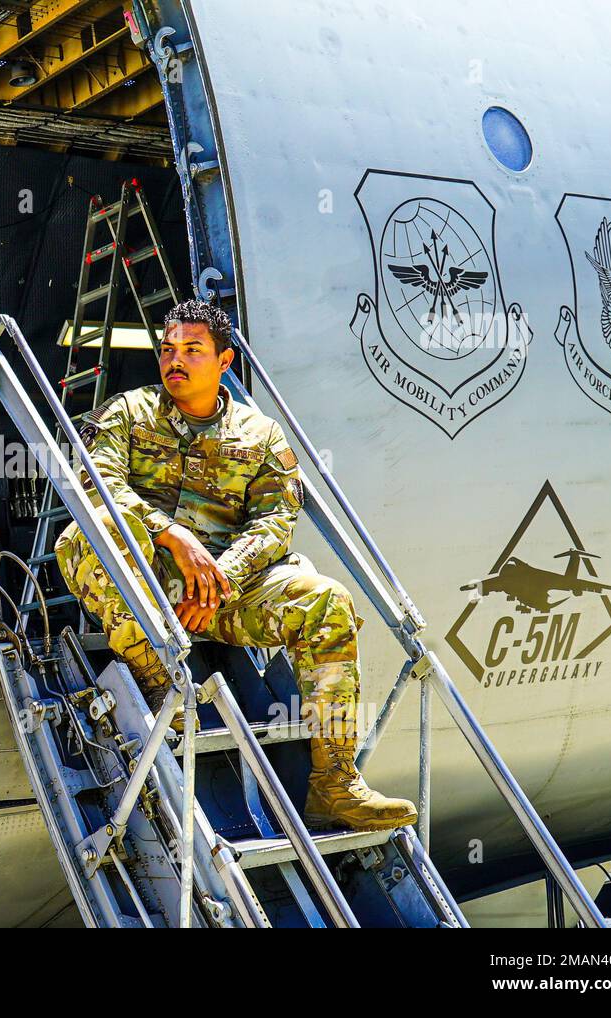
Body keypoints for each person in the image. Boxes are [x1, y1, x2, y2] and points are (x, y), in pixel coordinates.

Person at [54, 299, 417, 831]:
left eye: (192, 350)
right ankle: (161, 681)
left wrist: (220, 581)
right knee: (88, 533)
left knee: (327, 600)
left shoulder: (261, 435)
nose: (175, 361)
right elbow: (93, 483)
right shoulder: (128, 412)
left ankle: (335, 785)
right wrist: (171, 534)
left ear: (224, 361)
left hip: (223, 594)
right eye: (168, 350)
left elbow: (275, 521)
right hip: (147, 589)